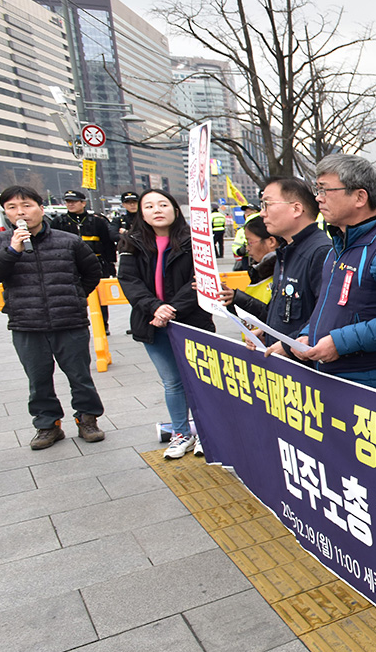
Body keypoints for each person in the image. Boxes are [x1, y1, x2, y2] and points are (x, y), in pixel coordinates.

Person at [0, 185, 106, 449]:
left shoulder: (67, 241)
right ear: (5, 214)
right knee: (38, 379)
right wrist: (12, 251)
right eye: (12, 207)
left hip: (69, 321)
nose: (20, 212)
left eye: (27, 205)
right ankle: (48, 425)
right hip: (26, 323)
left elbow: (92, 272)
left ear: (40, 208)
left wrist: (75, 296)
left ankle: (88, 419)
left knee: (80, 375)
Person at [289, 154, 376, 396]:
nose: (318, 198)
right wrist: (306, 334)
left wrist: (339, 344)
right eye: (317, 189)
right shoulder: (338, 247)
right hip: (334, 383)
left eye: (325, 190)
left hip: (374, 392)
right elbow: (332, 308)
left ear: (360, 197)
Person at [117, 189, 216, 459]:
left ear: (175, 209)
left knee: (198, 380)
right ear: (141, 212)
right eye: (149, 206)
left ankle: (206, 434)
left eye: (163, 204)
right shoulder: (130, 243)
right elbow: (129, 282)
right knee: (172, 382)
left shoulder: (195, 241)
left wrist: (169, 309)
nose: (156, 209)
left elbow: (198, 283)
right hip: (151, 323)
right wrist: (155, 308)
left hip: (191, 321)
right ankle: (181, 434)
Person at [257, 177, 331, 347]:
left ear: (296, 208)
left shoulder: (320, 252)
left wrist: (288, 346)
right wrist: (267, 331)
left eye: (267, 204)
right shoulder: (286, 250)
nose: (262, 213)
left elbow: (326, 316)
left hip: (304, 365)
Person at [54, 189, 116, 334]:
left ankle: (103, 324)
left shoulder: (97, 221)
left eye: (74, 201)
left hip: (96, 262)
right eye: (68, 201)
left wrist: (111, 263)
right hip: (69, 264)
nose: (70, 204)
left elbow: (107, 244)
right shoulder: (59, 222)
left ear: (83, 203)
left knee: (100, 296)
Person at [221, 214, 284, 322]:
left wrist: (237, 298)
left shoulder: (282, 271)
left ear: (271, 241)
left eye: (250, 242)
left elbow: (274, 318)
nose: (247, 249)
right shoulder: (259, 270)